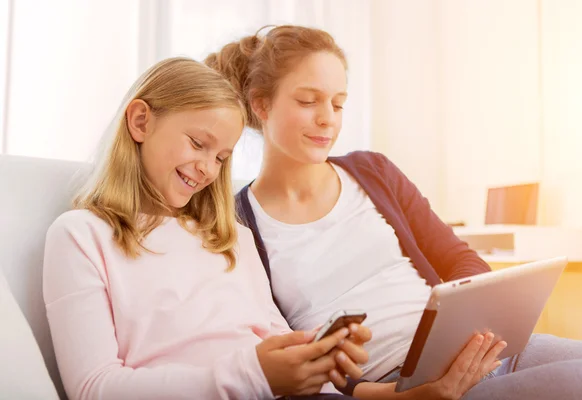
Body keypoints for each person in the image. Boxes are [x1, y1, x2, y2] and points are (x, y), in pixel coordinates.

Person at [206, 25, 582, 399]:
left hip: (483, 350)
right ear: (260, 103)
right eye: (308, 101)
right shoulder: (238, 226)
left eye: (338, 103)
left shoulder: (372, 171)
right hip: (408, 382)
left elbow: (460, 260)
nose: (328, 117)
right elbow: (287, 364)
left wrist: (466, 323)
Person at [42, 57, 371, 400]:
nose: (208, 170)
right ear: (141, 122)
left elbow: (272, 339)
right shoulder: (81, 236)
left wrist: (314, 356)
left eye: (221, 158)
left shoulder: (231, 239)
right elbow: (94, 388)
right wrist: (252, 377)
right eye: (199, 144)